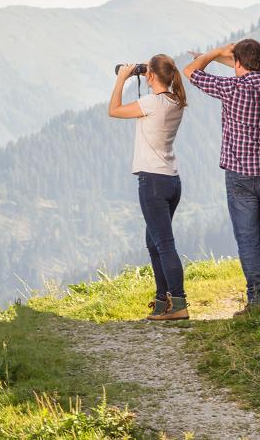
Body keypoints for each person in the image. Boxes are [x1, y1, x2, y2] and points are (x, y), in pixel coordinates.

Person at [183, 40, 260, 313]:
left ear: (238, 63)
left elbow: (191, 71)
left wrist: (216, 52)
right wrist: (254, 55)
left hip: (241, 175)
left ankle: (256, 298)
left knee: (247, 238)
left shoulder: (232, 88)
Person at [109, 55, 189, 321]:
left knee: (164, 244)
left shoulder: (151, 103)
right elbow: (163, 83)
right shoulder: (176, 101)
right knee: (154, 242)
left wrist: (123, 77)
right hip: (171, 180)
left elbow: (114, 109)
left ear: (152, 76)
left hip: (152, 181)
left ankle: (178, 304)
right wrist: (150, 70)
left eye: (148, 73)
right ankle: (161, 300)